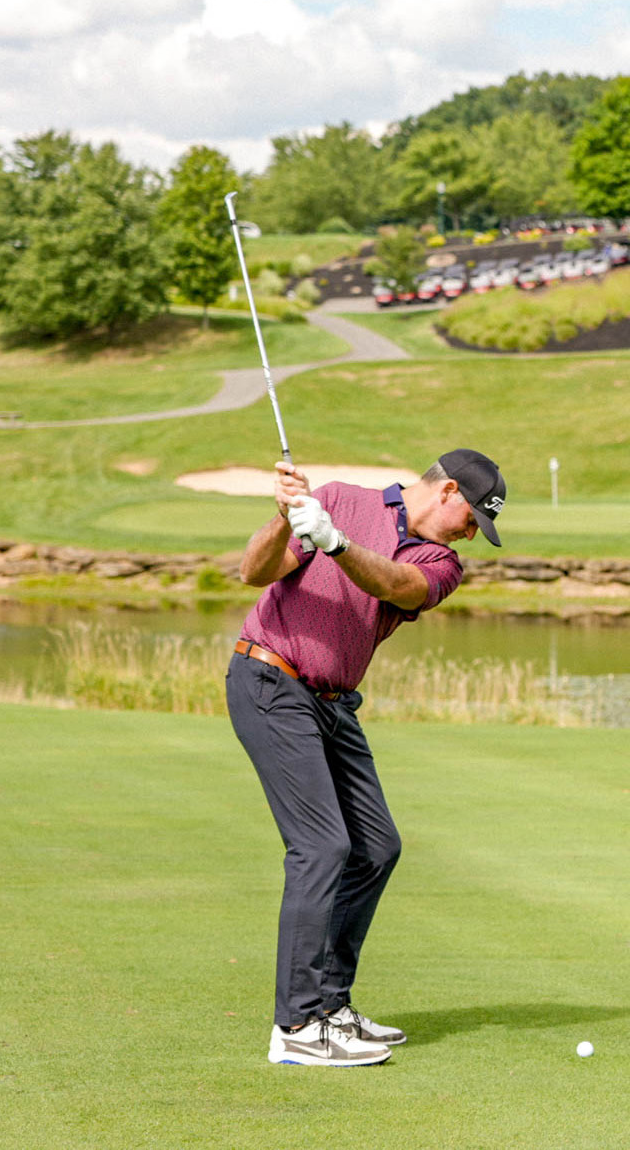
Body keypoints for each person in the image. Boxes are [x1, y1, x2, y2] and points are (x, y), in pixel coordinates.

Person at [227, 449, 506, 1066]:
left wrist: (336, 543)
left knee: (376, 847)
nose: (471, 535)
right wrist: (285, 517)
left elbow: (396, 584)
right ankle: (298, 1026)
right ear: (449, 491)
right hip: (271, 681)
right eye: (472, 519)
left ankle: (330, 1006)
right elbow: (253, 572)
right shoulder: (337, 498)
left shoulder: (440, 563)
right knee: (321, 846)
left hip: (332, 703)